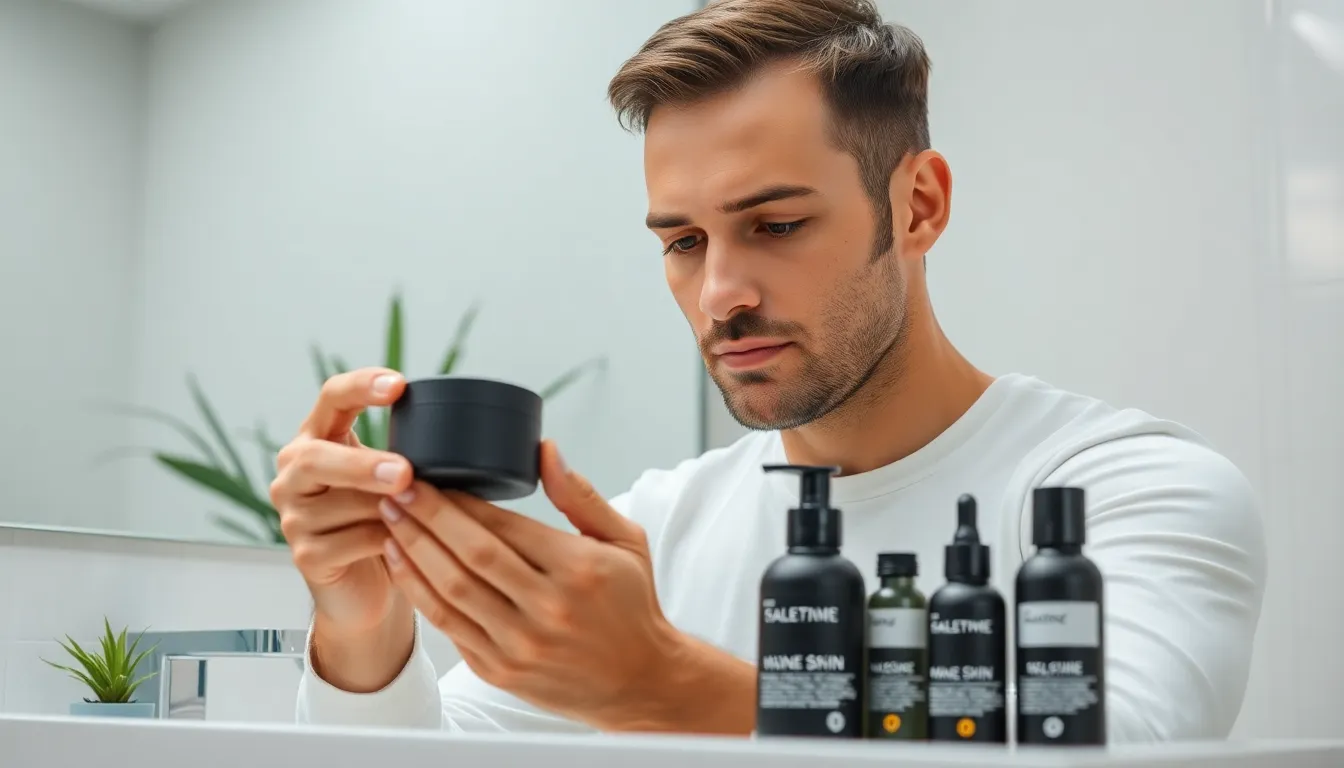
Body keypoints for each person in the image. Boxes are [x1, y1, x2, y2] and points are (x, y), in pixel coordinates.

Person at [273, 0, 1266, 743]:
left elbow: (1124, 747)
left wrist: (663, 684)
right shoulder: (659, 530)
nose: (719, 294)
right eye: (683, 242)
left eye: (777, 225)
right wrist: (363, 628)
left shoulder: (1133, 491)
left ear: (917, 207)